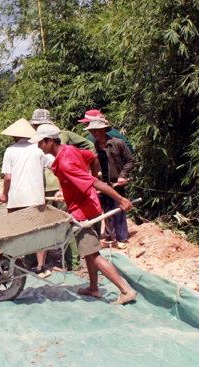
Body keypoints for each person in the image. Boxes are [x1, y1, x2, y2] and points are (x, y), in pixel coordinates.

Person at [30, 124, 137, 305]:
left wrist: (120, 200)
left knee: (93, 253)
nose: (39, 146)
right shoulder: (69, 150)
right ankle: (94, 288)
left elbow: (94, 182)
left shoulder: (65, 163)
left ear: (50, 141)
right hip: (85, 204)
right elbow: (91, 157)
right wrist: (71, 188)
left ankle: (125, 290)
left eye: (41, 142)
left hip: (82, 211)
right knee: (88, 252)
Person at [29, 109, 99, 271]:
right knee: (60, 225)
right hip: (52, 186)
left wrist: (86, 173)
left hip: (56, 185)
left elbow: (89, 150)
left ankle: (68, 262)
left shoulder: (59, 136)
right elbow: (89, 150)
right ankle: (68, 262)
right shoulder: (51, 138)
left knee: (58, 225)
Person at [0, 118, 53, 276]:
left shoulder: (10, 150)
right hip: (36, 197)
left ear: (14, 136)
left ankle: (11, 263)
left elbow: (8, 177)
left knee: (14, 231)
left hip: (16, 198)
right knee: (37, 232)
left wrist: (4, 194)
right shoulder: (38, 149)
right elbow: (55, 165)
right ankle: (40, 267)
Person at [85, 117, 134, 249]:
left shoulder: (117, 143)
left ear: (103, 130)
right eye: (92, 131)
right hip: (100, 183)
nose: (94, 134)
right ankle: (109, 236)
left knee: (118, 208)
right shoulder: (92, 147)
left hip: (115, 182)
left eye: (96, 130)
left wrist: (122, 176)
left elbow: (130, 161)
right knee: (104, 209)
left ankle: (121, 238)